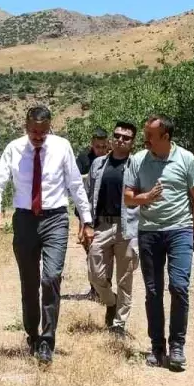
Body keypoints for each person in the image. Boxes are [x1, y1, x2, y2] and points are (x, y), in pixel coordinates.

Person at [0, 106, 93, 365]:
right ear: (26, 127)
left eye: (43, 133)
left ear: (50, 128)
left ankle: (47, 339)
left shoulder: (61, 147)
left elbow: (75, 185)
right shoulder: (14, 149)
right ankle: (32, 333)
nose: (38, 137)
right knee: (29, 281)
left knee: (51, 277)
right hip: (24, 220)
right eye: (34, 132)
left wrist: (86, 220)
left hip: (55, 218)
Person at [124, 114, 194, 371]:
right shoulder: (137, 161)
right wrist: (145, 197)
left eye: (150, 135)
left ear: (166, 137)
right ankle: (157, 347)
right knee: (154, 291)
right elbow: (128, 198)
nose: (145, 140)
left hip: (180, 231)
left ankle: (177, 346)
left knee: (179, 286)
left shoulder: (186, 159)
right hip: (149, 232)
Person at [86, 121, 140, 336]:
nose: (120, 140)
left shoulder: (136, 165)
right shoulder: (98, 164)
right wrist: (85, 225)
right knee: (94, 273)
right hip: (102, 225)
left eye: (126, 138)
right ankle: (111, 301)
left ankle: (119, 323)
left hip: (127, 226)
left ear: (132, 143)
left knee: (125, 278)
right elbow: (88, 196)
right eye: (117, 135)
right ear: (111, 138)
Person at [77, 128, 111, 301]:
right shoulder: (83, 159)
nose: (101, 150)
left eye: (104, 146)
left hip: (106, 211)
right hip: (86, 211)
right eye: (98, 146)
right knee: (90, 251)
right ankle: (95, 288)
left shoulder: (112, 158)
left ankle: (105, 289)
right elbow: (76, 181)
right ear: (92, 144)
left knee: (104, 252)